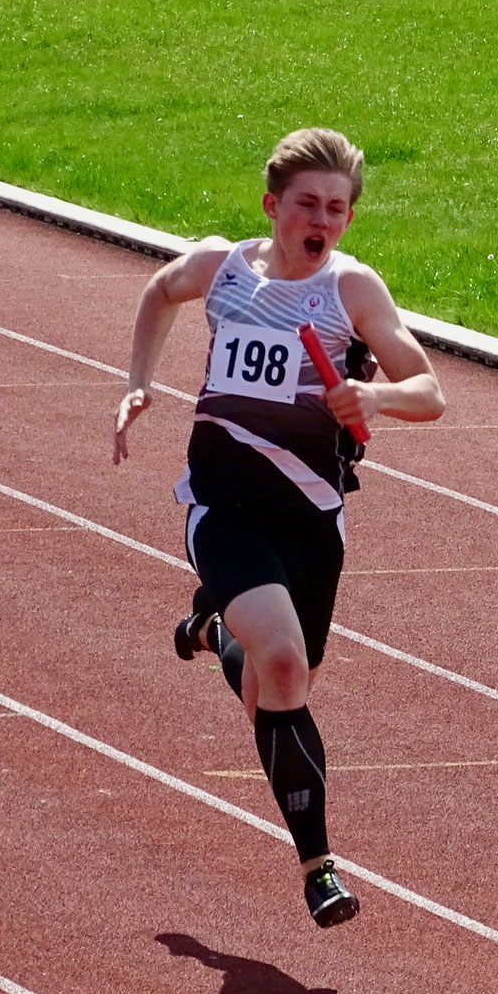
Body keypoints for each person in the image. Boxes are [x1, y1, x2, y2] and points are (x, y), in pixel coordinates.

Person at [113, 128, 446, 926]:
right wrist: (138, 385)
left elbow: (430, 391)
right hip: (222, 507)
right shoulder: (223, 269)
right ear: (273, 207)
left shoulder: (352, 291)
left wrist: (375, 400)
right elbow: (160, 292)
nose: (322, 218)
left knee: (272, 689)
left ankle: (209, 628)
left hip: (311, 521)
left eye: (337, 207)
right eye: (307, 203)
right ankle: (319, 869)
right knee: (286, 666)